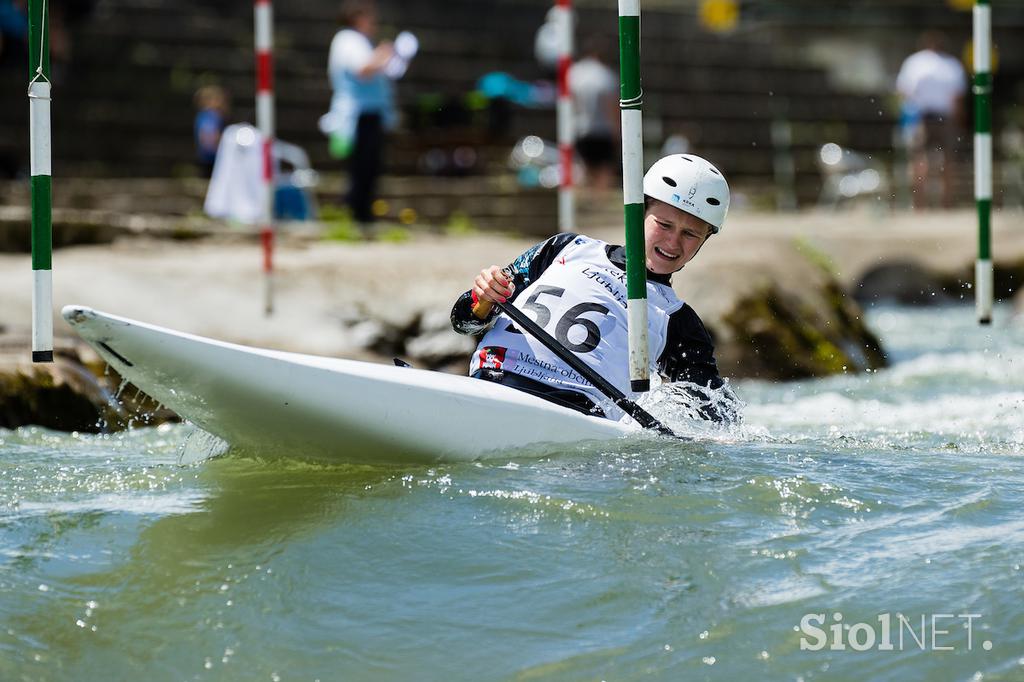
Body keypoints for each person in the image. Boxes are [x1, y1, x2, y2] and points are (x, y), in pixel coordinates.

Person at [450, 154, 733, 422]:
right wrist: (483, 297)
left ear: (705, 239)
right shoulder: (564, 248)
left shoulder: (678, 320)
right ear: (638, 212)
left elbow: (719, 413)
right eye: (664, 225)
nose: (673, 243)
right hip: (490, 382)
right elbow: (463, 323)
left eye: (690, 234)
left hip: (572, 414)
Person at [325, 0, 395, 230]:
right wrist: (384, 54)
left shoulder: (358, 41)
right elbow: (362, 69)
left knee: (370, 166)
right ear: (358, 17)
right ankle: (358, 216)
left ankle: (362, 214)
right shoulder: (348, 40)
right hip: (358, 115)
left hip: (369, 112)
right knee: (362, 167)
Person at [895, 31, 967, 209]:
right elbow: (957, 98)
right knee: (947, 161)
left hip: (921, 116)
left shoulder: (914, 62)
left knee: (919, 160)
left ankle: (920, 205)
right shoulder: (951, 65)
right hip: (944, 117)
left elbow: (903, 91)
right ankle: (945, 204)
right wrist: (958, 121)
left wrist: (909, 111)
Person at [568, 36, 619, 191]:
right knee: (604, 168)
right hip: (603, 129)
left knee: (582, 166)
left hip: (580, 127)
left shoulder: (574, 73)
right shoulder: (606, 76)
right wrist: (617, 131)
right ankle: (599, 201)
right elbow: (611, 106)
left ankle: (584, 200)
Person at [193, 85, 229, 178]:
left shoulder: (202, 116)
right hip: (212, 158)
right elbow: (209, 136)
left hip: (206, 157)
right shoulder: (211, 116)